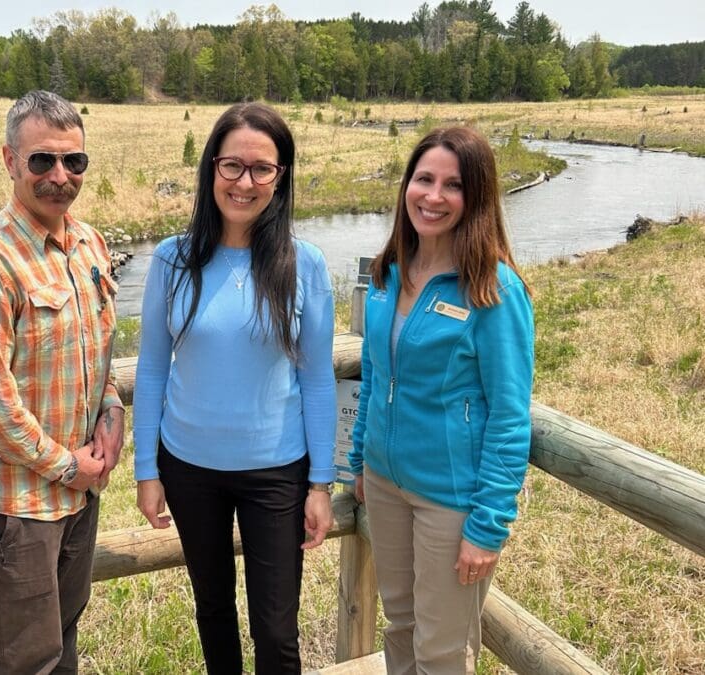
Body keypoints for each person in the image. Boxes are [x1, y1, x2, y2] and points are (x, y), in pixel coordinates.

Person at [133, 102, 336, 675]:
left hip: (277, 470)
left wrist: (321, 482)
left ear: (280, 177)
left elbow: (318, 378)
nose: (244, 183)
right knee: (213, 609)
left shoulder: (305, 264)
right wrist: (146, 470)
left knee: (277, 628)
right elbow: (151, 368)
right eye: (232, 166)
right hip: (188, 467)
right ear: (211, 169)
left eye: (261, 168)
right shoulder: (173, 259)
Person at [0, 90, 123, 674]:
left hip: (79, 494)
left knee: (61, 647)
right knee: (23, 661)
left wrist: (112, 417)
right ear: (10, 160)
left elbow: (99, 353)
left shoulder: (89, 244)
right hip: (16, 510)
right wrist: (69, 465)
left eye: (74, 161)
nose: (60, 176)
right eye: (43, 160)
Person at [347, 126, 535, 674]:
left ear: (476, 198)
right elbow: (374, 375)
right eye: (424, 179)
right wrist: (360, 460)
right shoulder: (388, 272)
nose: (433, 196)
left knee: (442, 650)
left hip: (450, 500)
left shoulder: (493, 289)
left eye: (453, 185)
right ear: (406, 184)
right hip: (384, 483)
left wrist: (488, 524)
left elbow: (509, 416)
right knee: (400, 625)